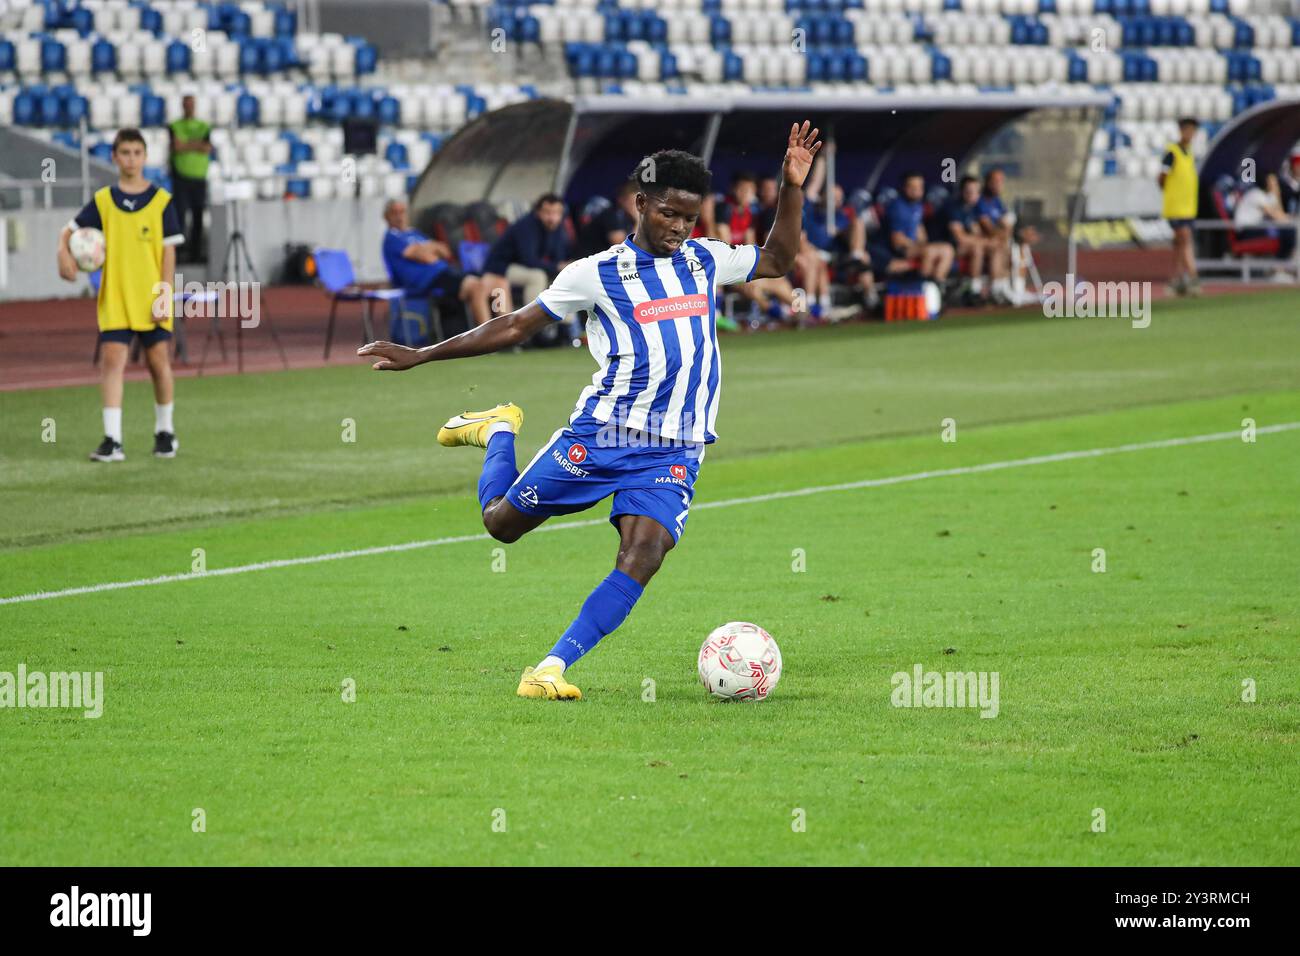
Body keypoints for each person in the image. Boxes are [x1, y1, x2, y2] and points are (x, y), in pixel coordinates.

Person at [357, 121, 822, 701]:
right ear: (640, 203)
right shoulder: (593, 274)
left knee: (644, 554)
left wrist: (791, 184)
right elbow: (515, 324)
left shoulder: (706, 260)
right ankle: (498, 430)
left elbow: (778, 258)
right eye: (667, 214)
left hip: (673, 449)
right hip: (601, 436)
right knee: (501, 525)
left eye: (688, 217)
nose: (679, 228)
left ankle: (550, 668)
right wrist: (422, 354)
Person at [57, 128, 184, 461]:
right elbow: (68, 231)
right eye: (124, 152)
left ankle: (165, 432)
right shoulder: (102, 201)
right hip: (116, 297)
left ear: (145, 157)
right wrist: (64, 254)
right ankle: (112, 440)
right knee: (113, 362)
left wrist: (164, 295)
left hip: (151, 296)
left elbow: (169, 254)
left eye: (137, 152)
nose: (131, 159)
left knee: (159, 363)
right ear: (114, 157)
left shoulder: (161, 201)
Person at [381, 199, 491, 327]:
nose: (400, 216)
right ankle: (487, 336)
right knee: (476, 286)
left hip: (443, 272)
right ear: (386, 217)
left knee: (490, 279)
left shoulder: (414, 233)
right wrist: (430, 249)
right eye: (395, 213)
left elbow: (444, 251)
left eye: (402, 212)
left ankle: (504, 333)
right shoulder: (391, 238)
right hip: (427, 281)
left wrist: (425, 249)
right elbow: (427, 258)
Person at [480, 194, 570, 318]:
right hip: (500, 268)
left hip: (520, 266)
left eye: (556, 213)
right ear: (538, 212)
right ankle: (532, 322)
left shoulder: (556, 228)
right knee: (537, 276)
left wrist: (562, 267)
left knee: (565, 276)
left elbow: (559, 256)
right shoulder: (526, 226)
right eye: (548, 212)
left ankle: (566, 326)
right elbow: (528, 260)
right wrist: (556, 266)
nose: (552, 217)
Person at [945, 175, 1008, 304]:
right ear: (962, 191)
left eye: (975, 192)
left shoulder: (974, 209)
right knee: (977, 248)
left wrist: (989, 241)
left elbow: (977, 233)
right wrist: (984, 241)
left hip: (968, 245)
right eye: (968, 191)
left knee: (996, 247)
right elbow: (960, 238)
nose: (971, 195)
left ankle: (997, 290)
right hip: (950, 247)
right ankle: (974, 290)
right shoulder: (954, 208)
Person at [1159, 117, 1201, 296]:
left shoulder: (1189, 152)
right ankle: (1192, 276)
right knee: (1184, 238)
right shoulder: (1172, 153)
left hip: (1188, 206)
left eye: (1192, 130)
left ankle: (1176, 280)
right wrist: (1171, 192)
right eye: (1187, 130)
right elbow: (1162, 177)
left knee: (1179, 242)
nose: (1189, 134)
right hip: (1176, 206)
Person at [887, 171, 953, 284]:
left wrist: (924, 242)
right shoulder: (897, 207)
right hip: (901, 250)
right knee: (930, 251)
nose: (917, 190)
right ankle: (922, 285)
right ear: (904, 188)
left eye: (919, 186)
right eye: (912, 187)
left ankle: (937, 284)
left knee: (948, 249)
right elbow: (897, 239)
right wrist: (921, 246)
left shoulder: (918, 205)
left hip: (916, 246)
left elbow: (918, 227)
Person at [168, 94, 211, 263]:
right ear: (182, 105)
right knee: (179, 216)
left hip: (199, 176)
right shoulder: (175, 125)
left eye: (192, 104)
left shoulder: (204, 125)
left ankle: (195, 253)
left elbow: (206, 148)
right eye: (187, 104)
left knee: (198, 215)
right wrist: (196, 144)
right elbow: (176, 147)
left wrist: (186, 144)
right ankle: (178, 253)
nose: (189, 107)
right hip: (180, 175)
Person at [1233, 172, 1297, 271]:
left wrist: (1277, 194)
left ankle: (1281, 265)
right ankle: (1280, 266)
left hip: (1255, 229)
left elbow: (1279, 213)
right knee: (1287, 232)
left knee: (1287, 230)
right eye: (1272, 182)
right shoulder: (1256, 194)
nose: (1275, 185)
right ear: (1266, 183)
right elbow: (1277, 217)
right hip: (1245, 232)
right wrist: (1291, 219)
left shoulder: (1266, 196)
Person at [576, 180, 637, 258]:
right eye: (632, 202)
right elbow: (623, 247)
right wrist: (639, 221)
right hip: (589, 260)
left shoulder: (627, 217)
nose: (637, 206)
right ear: (621, 200)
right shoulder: (612, 215)